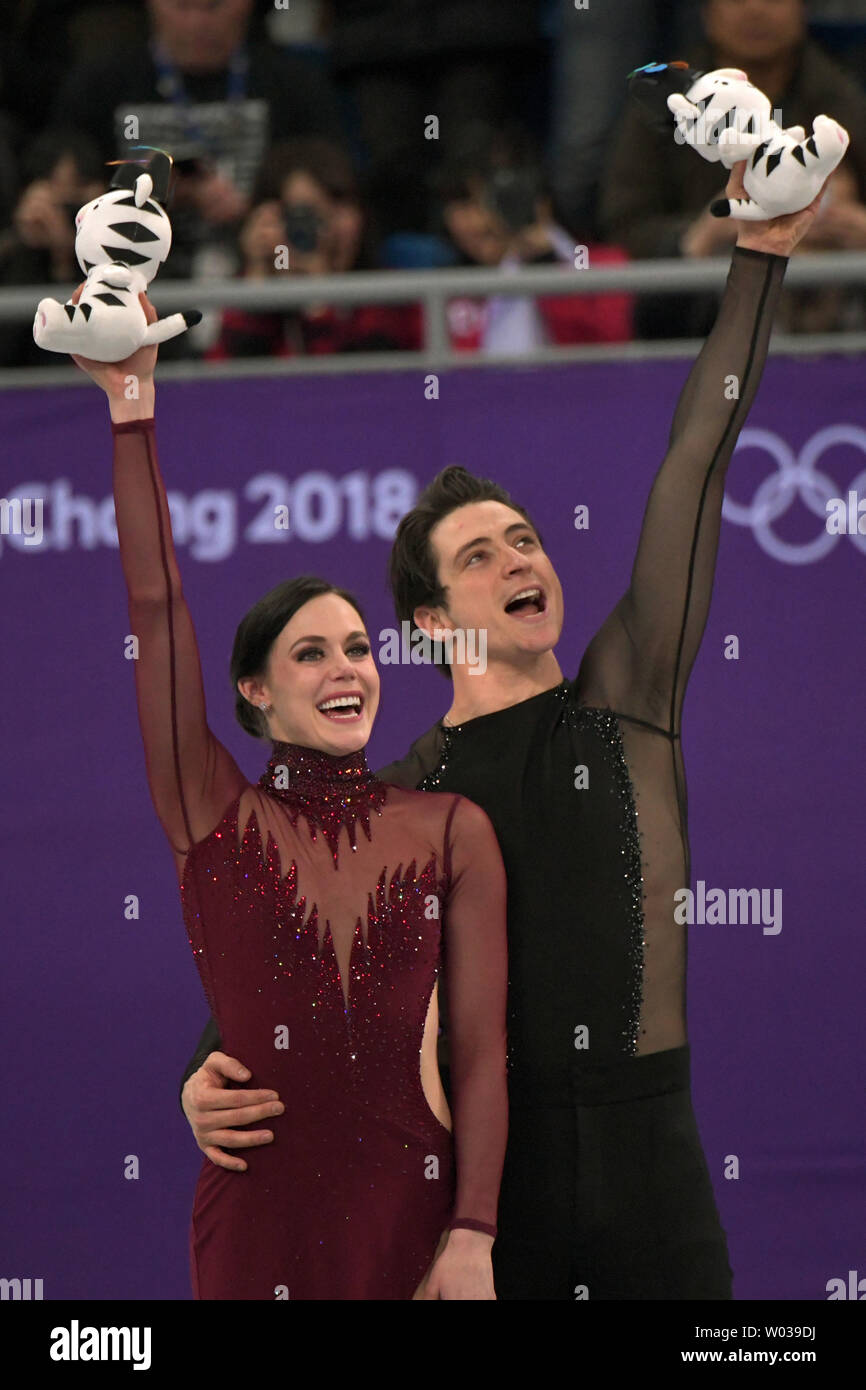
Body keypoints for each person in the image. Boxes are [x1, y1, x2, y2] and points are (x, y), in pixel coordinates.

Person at [180, 158, 831, 1299]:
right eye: (479, 556)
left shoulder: (627, 700)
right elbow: (287, 968)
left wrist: (758, 258)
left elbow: (697, 460)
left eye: (525, 539)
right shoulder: (404, 795)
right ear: (429, 622)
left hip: (655, 1182)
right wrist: (198, 1073)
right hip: (492, 1204)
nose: (519, 559)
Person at [70, 289, 508, 1300]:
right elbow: (156, 604)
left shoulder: (449, 830)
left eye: (357, 646)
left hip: (416, 1218)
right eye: (309, 654)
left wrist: (474, 1230)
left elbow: (481, 1051)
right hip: (259, 1223)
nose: (345, 668)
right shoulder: (211, 814)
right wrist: (130, 409)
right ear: (254, 692)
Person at [598, 0, 866, 337]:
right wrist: (700, 236)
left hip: (838, 309)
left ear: (803, 9)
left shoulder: (845, 97)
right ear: (706, 11)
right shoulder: (664, 105)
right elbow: (627, 222)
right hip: (705, 309)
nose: (756, 9)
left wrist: (856, 229)